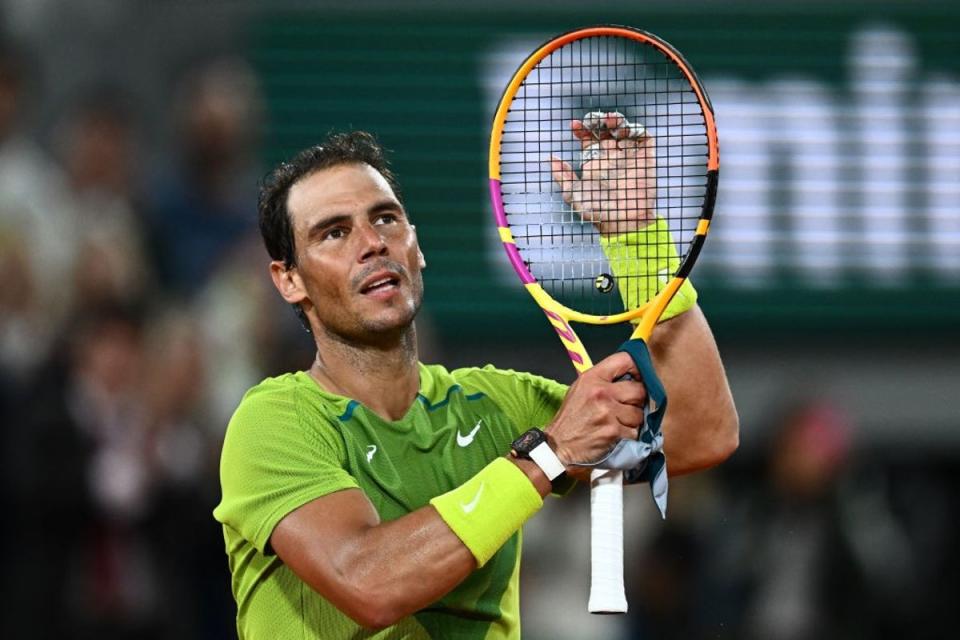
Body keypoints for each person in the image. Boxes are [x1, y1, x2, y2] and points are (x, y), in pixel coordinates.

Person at [214, 117, 738, 638]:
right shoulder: (274, 423)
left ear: (416, 247)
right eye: (334, 232)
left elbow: (701, 434)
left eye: (386, 219)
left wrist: (638, 238)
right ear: (289, 280)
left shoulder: (495, 405)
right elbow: (368, 583)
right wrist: (546, 458)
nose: (372, 243)